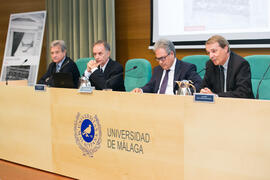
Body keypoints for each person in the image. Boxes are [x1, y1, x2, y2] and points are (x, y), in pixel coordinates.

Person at [132, 39, 202, 94]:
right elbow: (150, 86)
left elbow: (199, 84)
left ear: (171, 54)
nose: (160, 62)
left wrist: (185, 93)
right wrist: (140, 90)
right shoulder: (157, 70)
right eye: (158, 59)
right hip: (157, 104)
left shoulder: (186, 68)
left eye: (162, 58)